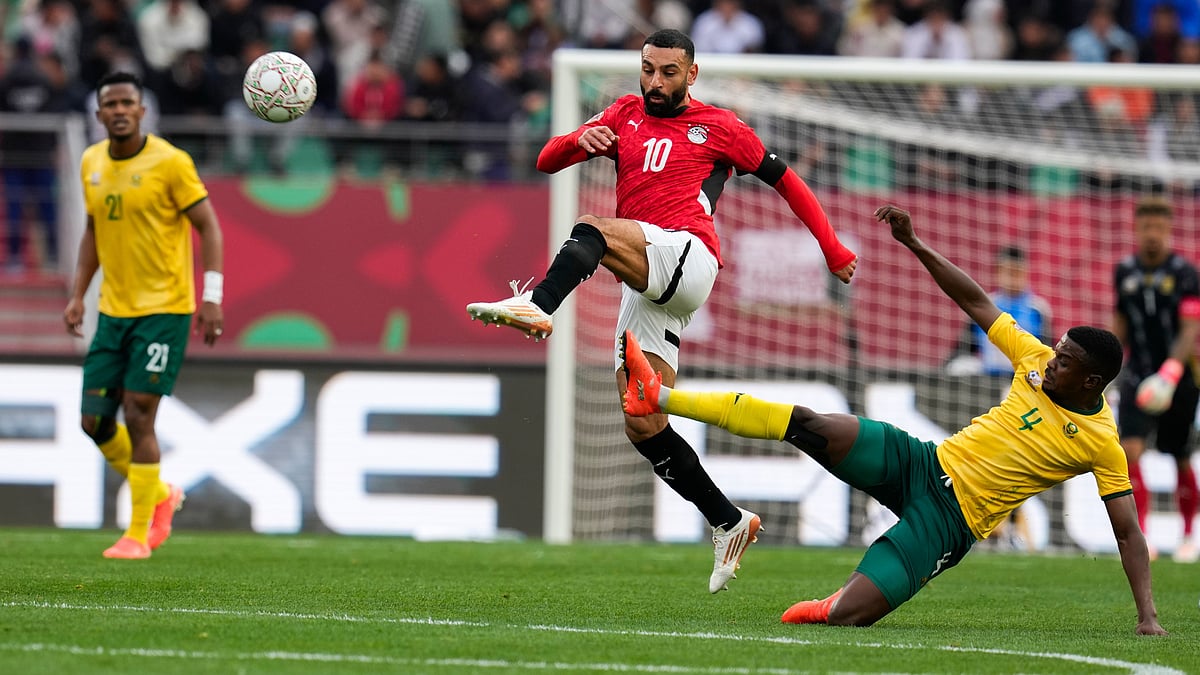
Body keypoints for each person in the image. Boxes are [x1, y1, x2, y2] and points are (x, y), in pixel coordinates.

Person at [619, 204, 1165, 635]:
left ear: (1091, 382)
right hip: (922, 462)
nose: (1052, 361)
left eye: (1065, 361)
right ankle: (659, 397)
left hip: (951, 523)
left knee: (847, 617)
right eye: (1057, 350)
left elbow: (1127, 532)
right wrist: (914, 242)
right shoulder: (1034, 358)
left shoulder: (1101, 444)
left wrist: (1148, 615)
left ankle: (831, 604)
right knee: (813, 424)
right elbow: (974, 300)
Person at [465, 29, 857, 593]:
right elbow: (546, 159)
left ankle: (538, 303)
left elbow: (788, 182)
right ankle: (727, 521)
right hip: (647, 276)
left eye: (668, 72)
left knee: (594, 228)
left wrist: (833, 248)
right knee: (642, 417)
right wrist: (583, 140)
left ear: (691, 75)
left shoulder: (720, 126)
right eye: (648, 69)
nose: (655, 81)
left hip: (690, 254)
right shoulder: (624, 112)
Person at [63, 71, 225, 560]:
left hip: (165, 309)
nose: (118, 110)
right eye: (109, 103)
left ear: (141, 111)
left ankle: (139, 534)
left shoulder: (171, 163)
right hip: (113, 311)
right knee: (94, 421)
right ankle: (159, 493)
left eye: (126, 103)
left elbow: (209, 228)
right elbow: (93, 230)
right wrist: (77, 295)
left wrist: (212, 295)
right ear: (98, 115)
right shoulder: (91, 161)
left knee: (138, 414)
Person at [1112, 196, 1200, 564]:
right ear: (1136, 229)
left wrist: (1170, 372)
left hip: (1178, 377)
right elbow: (1120, 325)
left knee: (1178, 454)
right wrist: (1109, 366)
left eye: (1159, 229)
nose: (1152, 235)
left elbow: (1190, 327)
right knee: (1129, 452)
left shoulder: (1185, 273)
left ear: (1169, 231)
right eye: (1146, 227)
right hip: (1137, 375)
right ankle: (1141, 537)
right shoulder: (1124, 272)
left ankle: (1188, 536)